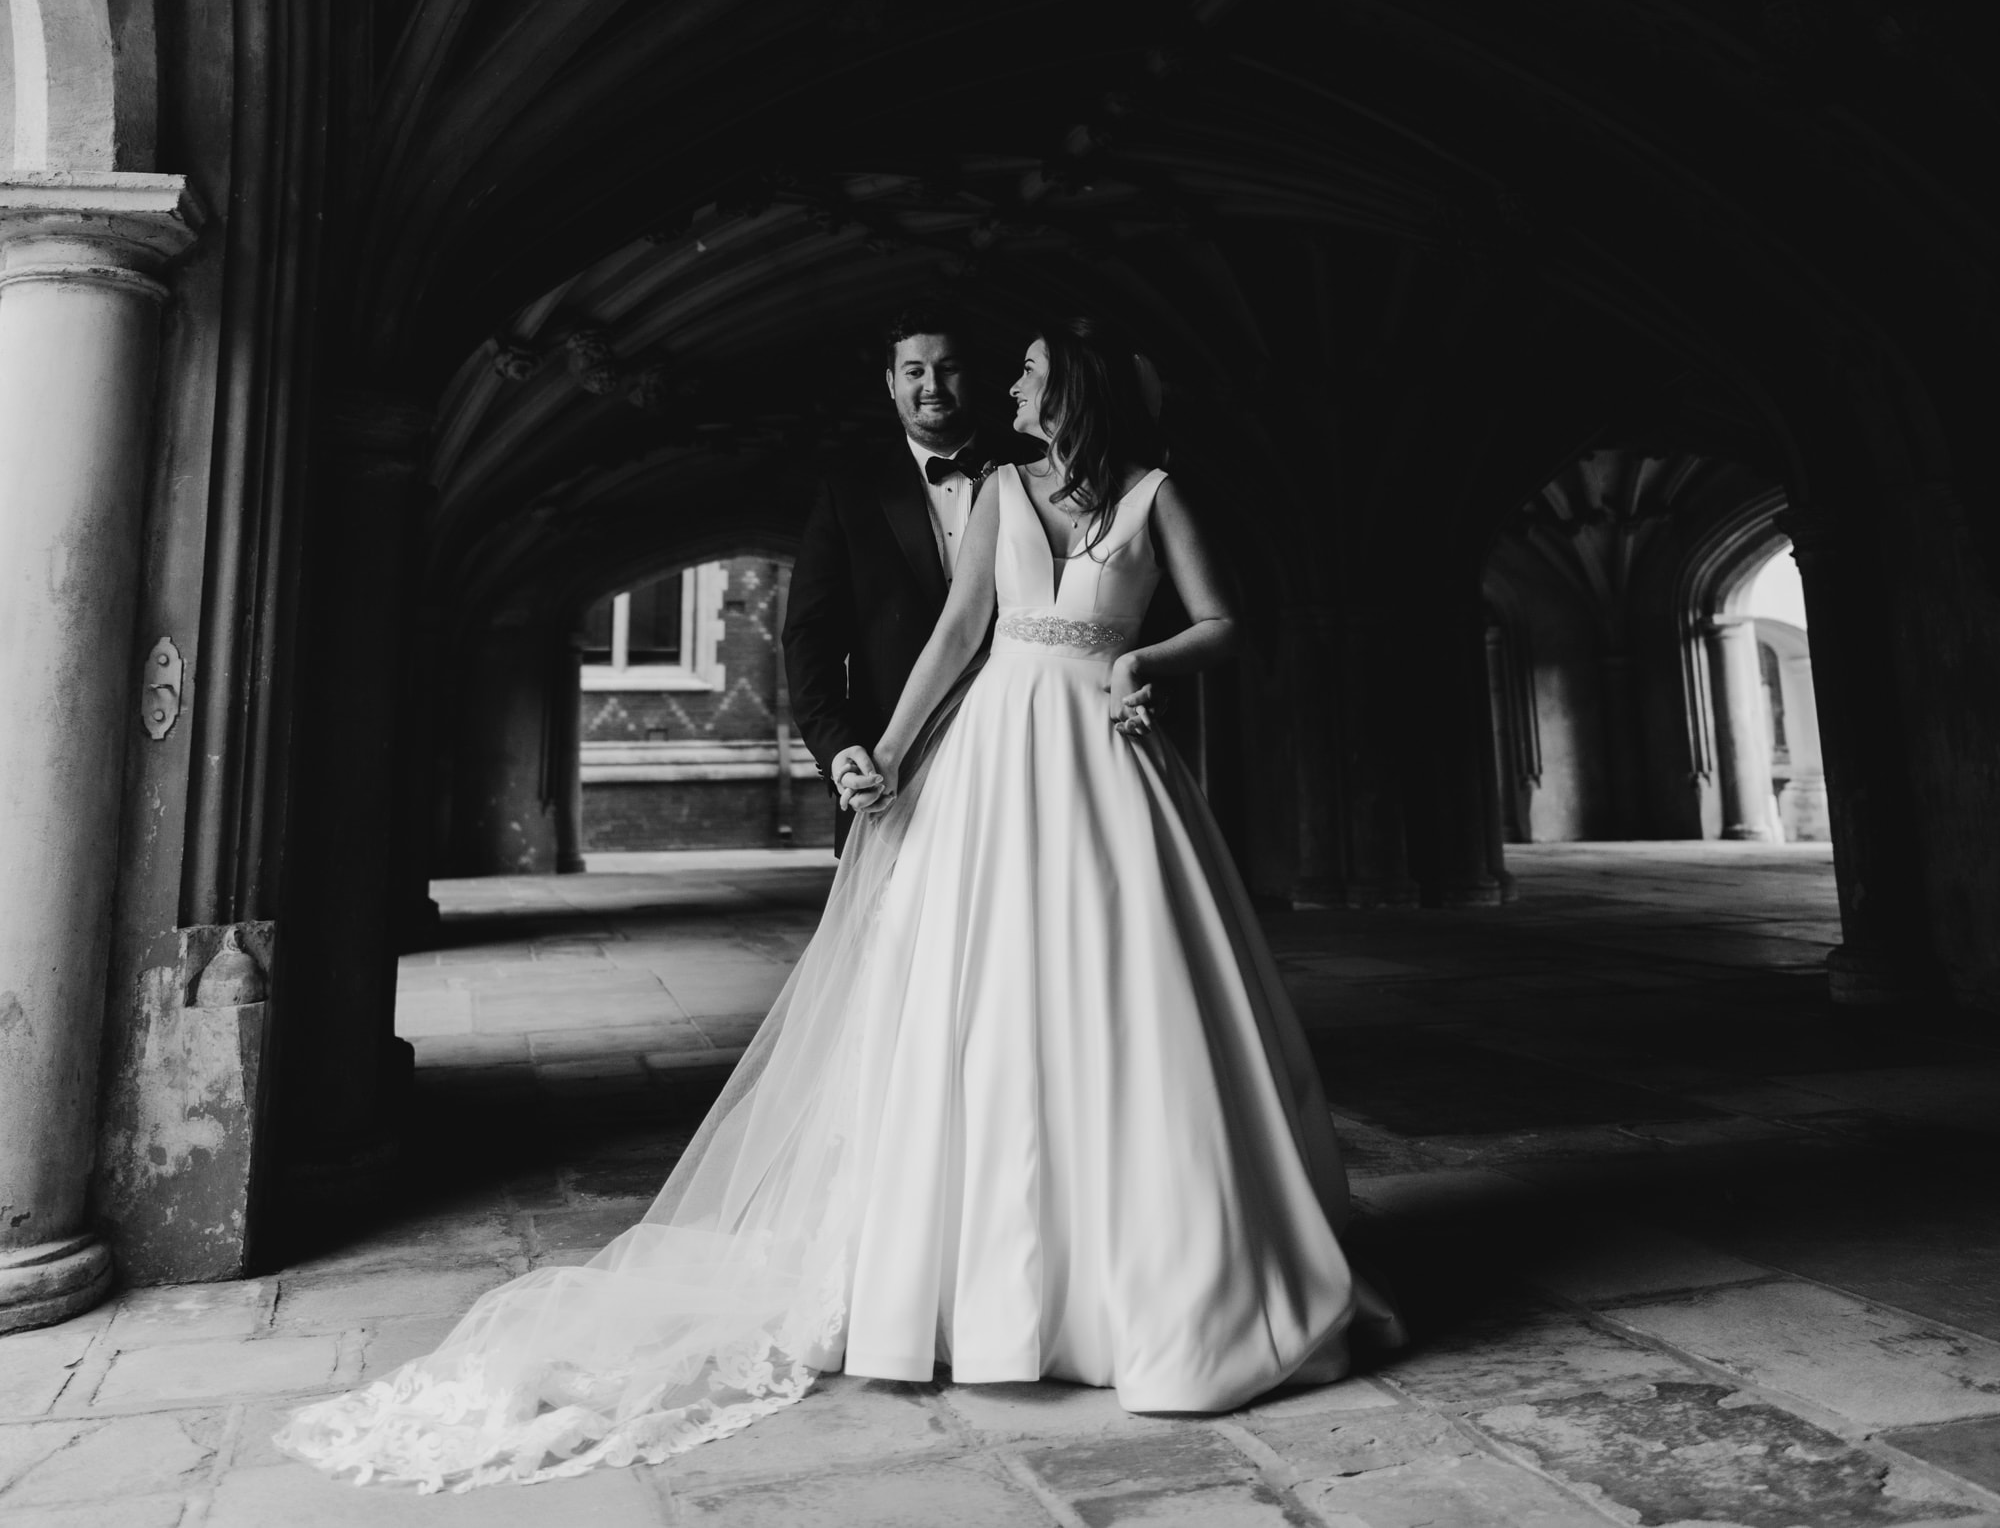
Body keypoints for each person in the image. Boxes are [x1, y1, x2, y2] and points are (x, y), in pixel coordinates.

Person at [276, 315, 1384, 1493]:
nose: (1004, 379)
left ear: (1073, 389)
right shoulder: (1004, 489)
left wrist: (1143, 664)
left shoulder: (1159, 494)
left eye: (1025, 369)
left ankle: (1143, 1286)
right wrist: (887, 758)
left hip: (1106, 761)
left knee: (1126, 1000)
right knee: (973, 1007)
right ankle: (978, 1291)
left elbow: (1222, 622)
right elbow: (959, 633)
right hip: (994, 760)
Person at [784, 308, 1012, 846]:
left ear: (974, 374)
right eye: (914, 371)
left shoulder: (1035, 470)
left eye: (948, 368)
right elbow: (810, 637)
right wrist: (839, 749)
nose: (931, 385)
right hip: (894, 760)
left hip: (1019, 744)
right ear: (890, 383)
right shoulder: (848, 493)